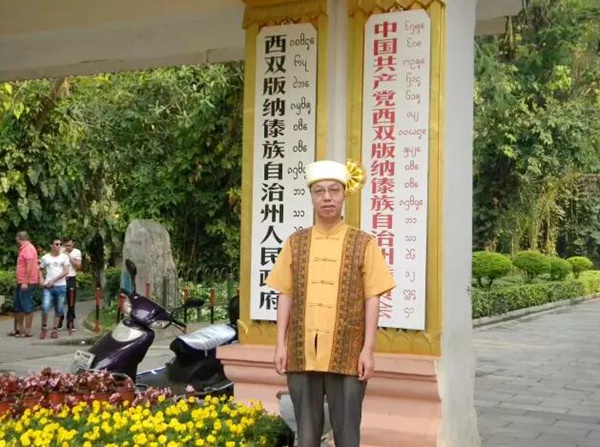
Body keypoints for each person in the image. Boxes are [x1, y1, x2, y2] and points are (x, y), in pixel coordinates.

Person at [266, 159, 396, 447]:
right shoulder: (295, 242)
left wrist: (368, 349)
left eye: (334, 190)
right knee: (306, 435)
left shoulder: (363, 243)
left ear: (344, 195)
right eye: (320, 191)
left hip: (348, 353)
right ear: (312, 197)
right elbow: (285, 294)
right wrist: (280, 345)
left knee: (347, 435)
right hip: (301, 352)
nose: (327, 197)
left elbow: (372, 297)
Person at [38, 238, 70, 339]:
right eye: (56, 244)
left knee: (59, 309)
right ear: (51, 245)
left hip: (61, 286)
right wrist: (41, 279)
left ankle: (55, 329)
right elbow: (40, 269)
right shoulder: (45, 257)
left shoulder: (64, 257)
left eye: (60, 244)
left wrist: (54, 280)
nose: (59, 246)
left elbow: (66, 271)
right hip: (48, 287)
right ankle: (44, 328)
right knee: (45, 307)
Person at [11, 231, 40, 338]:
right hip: (21, 281)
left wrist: (25, 281)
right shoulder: (23, 248)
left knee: (27, 305)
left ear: (18, 238)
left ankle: (28, 330)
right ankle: (19, 329)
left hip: (27, 282)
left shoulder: (28, 248)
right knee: (18, 305)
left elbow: (30, 265)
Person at [57, 236, 82, 331]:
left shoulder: (77, 252)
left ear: (73, 245)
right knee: (59, 300)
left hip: (71, 278)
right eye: (66, 245)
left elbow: (78, 266)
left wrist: (69, 257)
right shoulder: (60, 251)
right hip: (61, 279)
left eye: (70, 245)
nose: (68, 247)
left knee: (71, 301)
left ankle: (70, 321)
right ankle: (60, 318)